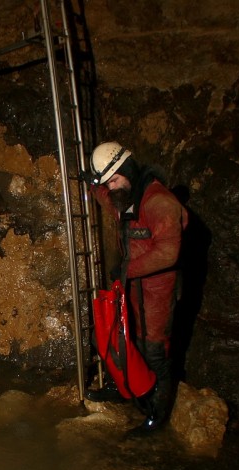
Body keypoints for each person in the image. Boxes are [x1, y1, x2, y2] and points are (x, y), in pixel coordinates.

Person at [86, 141, 188, 434]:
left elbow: (169, 252)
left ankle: (157, 413)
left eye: (115, 179)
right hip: (131, 288)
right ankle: (126, 388)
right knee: (123, 340)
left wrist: (127, 270)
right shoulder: (124, 195)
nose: (112, 187)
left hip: (157, 290)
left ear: (127, 169)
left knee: (154, 349)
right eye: (109, 183)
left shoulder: (158, 202)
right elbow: (106, 196)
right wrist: (92, 185)